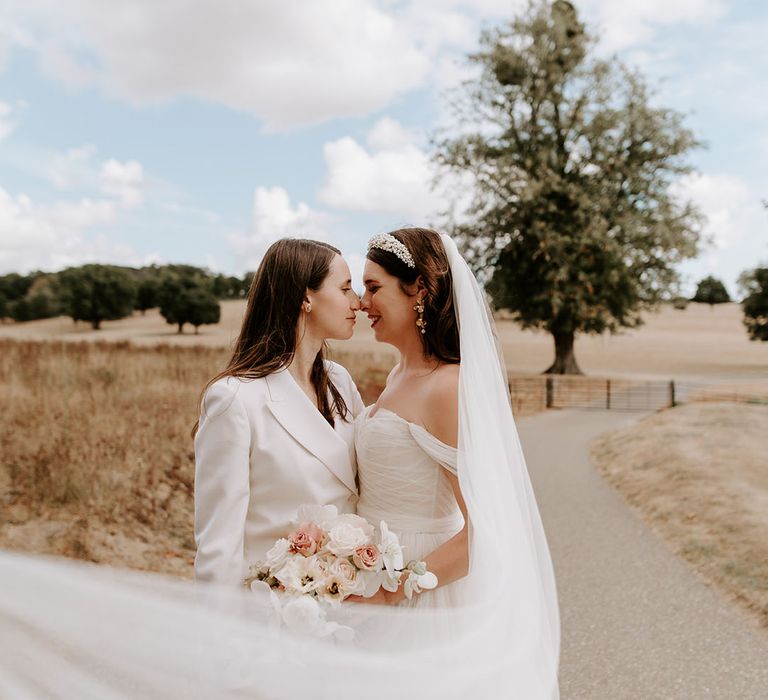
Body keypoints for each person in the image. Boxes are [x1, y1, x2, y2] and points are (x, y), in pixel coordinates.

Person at [193, 238, 364, 587]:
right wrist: (221, 635)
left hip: (350, 603)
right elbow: (219, 547)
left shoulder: (340, 382)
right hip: (271, 614)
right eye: (345, 288)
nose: (357, 303)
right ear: (306, 297)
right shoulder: (234, 400)